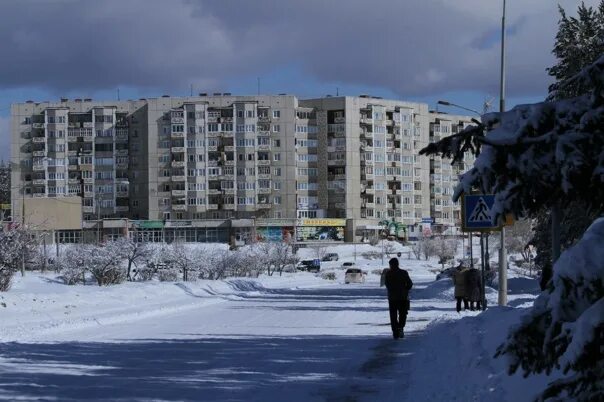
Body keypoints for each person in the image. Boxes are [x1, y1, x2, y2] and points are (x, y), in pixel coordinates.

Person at [385, 258, 413, 339]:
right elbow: (410, 284)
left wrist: (392, 290)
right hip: (403, 297)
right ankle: (401, 327)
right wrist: (405, 289)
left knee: (393, 315)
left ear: (390, 265)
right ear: (398, 264)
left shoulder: (388, 274)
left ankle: (395, 332)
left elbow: (387, 285)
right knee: (403, 314)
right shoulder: (404, 272)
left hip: (392, 298)